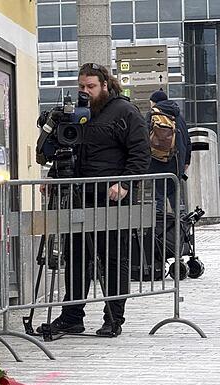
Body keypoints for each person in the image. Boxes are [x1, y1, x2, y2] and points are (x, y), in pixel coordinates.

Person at [39, 62, 151, 337]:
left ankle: (114, 318)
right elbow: (68, 150)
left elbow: (141, 154)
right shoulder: (76, 113)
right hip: (79, 196)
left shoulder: (125, 112)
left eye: (90, 86)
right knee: (77, 256)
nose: (85, 91)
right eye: (81, 86)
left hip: (112, 198)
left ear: (104, 85)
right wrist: (55, 177)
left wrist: (124, 183)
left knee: (113, 258)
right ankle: (72, 316)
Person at [147, 90, 191, 214]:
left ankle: (159, 228)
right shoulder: (178, 116)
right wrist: (186, 161)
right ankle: (181, 227)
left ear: (153, 102)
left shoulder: (152, 115)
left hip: (157, 161)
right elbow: (187, 140)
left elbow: (145, 138)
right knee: (175, 196)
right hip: (176, 162)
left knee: (159, 197)